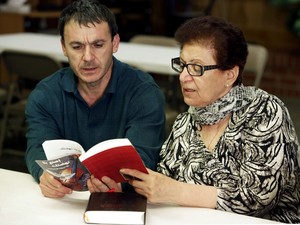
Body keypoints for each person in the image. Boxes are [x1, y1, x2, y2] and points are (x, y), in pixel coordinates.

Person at [120, 16, 300, 223]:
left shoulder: (265, 111)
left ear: (229, 75)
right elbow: (163, 185)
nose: (183, 77)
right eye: (182, 65)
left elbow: (257, 199)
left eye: (196, 68)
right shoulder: (184, 123)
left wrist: (176, 191)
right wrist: (125, 185)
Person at [25, 0, 165, 198]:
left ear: (115, 43)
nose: (88, 57)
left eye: (98, 45)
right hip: (64, 201)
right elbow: (37, 148)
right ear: (64, 47)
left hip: (121, 203)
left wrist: (122, 185)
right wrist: (44, 175)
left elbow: (144, 160)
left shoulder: (144, 93)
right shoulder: (45, 94)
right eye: (77, 46)